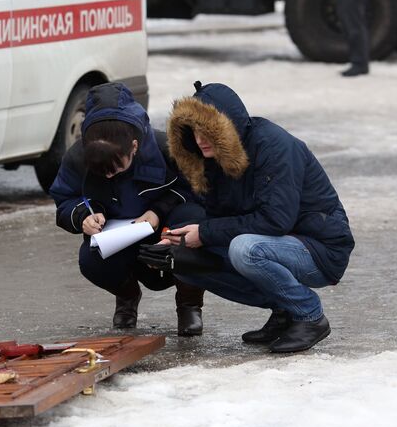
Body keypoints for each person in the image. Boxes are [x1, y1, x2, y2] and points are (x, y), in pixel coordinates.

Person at [141, 81, 355, 353]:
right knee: (185, 259)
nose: (200, 139)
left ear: (227, 127)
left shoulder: (274, 146)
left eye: (208, 131)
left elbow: (276, 221)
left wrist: (205, 233)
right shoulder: (211, 158)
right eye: (195, 131)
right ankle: (284, 311)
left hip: (320, 249)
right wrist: (180, 238)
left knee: (244, 250)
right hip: (278, 243)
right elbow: (219, 218)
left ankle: (309, 315)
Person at [49, 82, 208, 335]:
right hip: (117, 237)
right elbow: (64, 199)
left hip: (163, 227)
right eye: (102, 171)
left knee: (192, 223)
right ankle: (127, 298)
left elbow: (196, 191)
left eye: (116, 166)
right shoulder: (77, 157)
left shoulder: (166, 148)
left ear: (134, 147)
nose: (109, 175)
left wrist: (157, 212)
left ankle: (189, 305)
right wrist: (82, 215)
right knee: (91, 260)